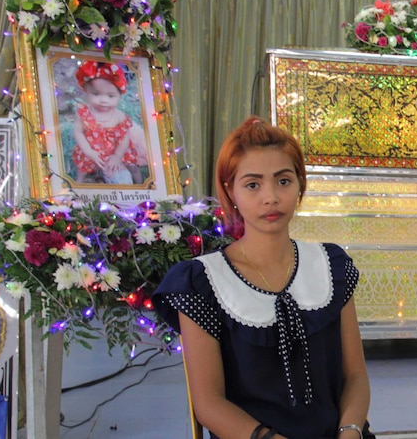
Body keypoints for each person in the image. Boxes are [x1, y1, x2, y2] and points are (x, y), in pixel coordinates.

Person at [152, 117, 373, 439]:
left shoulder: (331, 265)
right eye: (253, 184)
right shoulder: (201, 282)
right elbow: (208, 403)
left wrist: (351, 431)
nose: (270, 197)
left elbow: (355, 375)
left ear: (300, 183)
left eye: (283, 181)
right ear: (230, 190)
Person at [71, 60, 148, 185]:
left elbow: (125, 138)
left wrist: (117, 156)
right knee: (82, 167)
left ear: (119, 95)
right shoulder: (83, 113)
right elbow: (78, 131)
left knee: (132, 166)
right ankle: (78, 184)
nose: (103, 100)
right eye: (96, 94)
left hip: (117, 150)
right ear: (86, 90)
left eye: (111, 96)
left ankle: (141, 185)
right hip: (91, 150)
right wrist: (89, 152)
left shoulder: (119, 116)